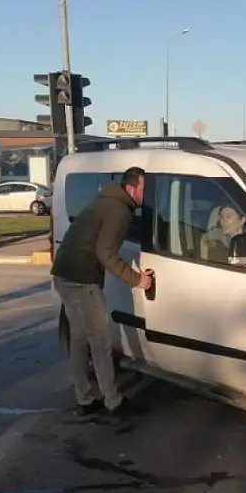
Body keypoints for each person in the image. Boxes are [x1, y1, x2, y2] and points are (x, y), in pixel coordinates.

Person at [51, 166, 153, 417]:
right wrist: (136, 279)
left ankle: (84, 398)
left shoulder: (105, 199)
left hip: (63, 273)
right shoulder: (120, 211)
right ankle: (113, 401)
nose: (146, 194)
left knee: (79, 338)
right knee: (100, 342)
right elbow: (105, 253)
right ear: (131, 188)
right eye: (144, 189)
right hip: (81, 279)